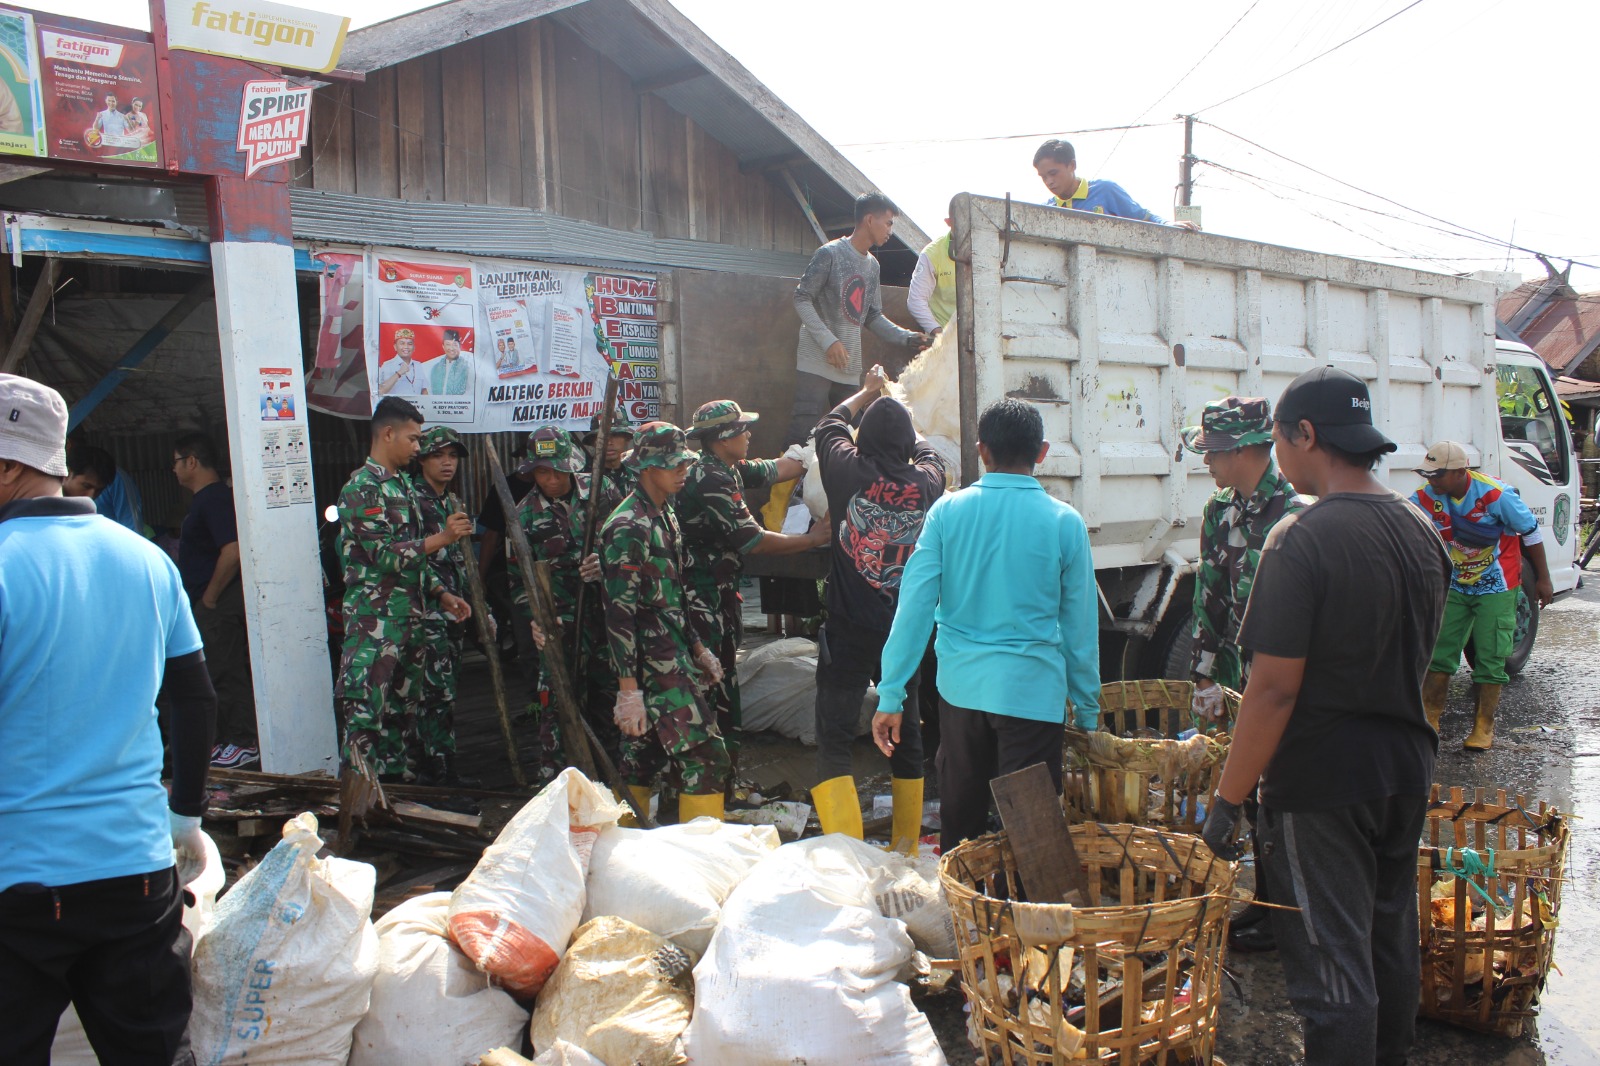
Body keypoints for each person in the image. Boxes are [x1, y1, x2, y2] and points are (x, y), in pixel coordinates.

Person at [1201, 366, 1449, 1066]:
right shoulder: (1420, 528)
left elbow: (1273, 691)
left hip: (1323, 787)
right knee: (1387, 939)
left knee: (1333, 965)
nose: (1279, 455)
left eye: (1280, 440)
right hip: (1404, 769)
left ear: (1305, 435)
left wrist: (1228, 801)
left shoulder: (1300, 537)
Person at [0, 373, 216, 1064]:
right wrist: (184, 812)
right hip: (138, 872)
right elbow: (195, 695)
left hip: (19, 884)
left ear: (8, 467)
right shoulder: (149, 560)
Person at [875, 398, 1099, 854]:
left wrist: (891, 693)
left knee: (962, 830)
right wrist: (1088, 712)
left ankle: (966, 917)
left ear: (981, 451)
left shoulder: (947, 513)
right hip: (1032, 698)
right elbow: (1079, 631)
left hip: (960, 694)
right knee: (1033, 836)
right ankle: (1036, 919)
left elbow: (913, 609)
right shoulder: (1065, 523)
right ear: (1041, 452)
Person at [1182, 396, 1304, 954]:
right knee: (1248, 791)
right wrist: (1204, 674)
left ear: (1244, 449)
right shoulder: (1219, 511)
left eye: (1213, 451)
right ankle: (1268, 903)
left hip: (1283, 684)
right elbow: (1208, 594)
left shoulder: (1297, 513)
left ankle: (1289, 913)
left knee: (1282, 793)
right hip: (1237, 679)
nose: (1206, 460)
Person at [807, 369, 947, 851]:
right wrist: (904, 412)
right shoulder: (929, 483)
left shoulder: (846, 470)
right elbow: (930, 453)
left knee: (835, 738)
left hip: (847, 631)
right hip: (901, 637)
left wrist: (869, 391)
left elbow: (828, 425)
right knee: (905, 736)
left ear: (861, 440)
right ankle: (906, 847)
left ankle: (846, 857)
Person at [678, 399, 826, 791]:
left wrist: (847, 410)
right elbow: (753, 541)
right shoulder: (709, 478)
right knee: (712, 687)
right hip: (700, 598)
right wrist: (811, 539)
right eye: (742, 429)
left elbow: (780, 469)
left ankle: (723, 779)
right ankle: (708, 784)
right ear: (724, 437)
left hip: (719, 594)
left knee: (723, 680)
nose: (749, 434)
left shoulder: (724, 467)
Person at [335, 397, 472, 781]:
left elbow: (413, 560)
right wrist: (443, 537)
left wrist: (441, 593)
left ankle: (397, 801)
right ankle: (356, 809)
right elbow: (384, 556)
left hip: (408, 621)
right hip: (374, 625)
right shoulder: (362, 487)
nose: (417, 448)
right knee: (365, 717)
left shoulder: (402, 488)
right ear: (388, 433)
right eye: (413, 439)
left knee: (401, 717)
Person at [599, 422, 729, 822]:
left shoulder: (664, 514)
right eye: (671, 465)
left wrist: (698, 648)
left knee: (643, 753)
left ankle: (623, 846)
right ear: (645, 467)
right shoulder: (627, 526)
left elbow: (673, 594)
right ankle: (701, 859)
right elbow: (618, 613)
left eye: (683, 464)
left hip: (672, 652)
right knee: (707, 759)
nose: (681, 472)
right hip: (652, 665)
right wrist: (627, 690)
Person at [1412, 440, 1552, 750]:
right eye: (1427, 474)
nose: (1431, 480)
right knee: (1440, 650)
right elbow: (1406, 524)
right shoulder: (1425, 496)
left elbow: (1530, 531)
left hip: (1497, 585)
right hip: (1455, 585)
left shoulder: (1495, 495)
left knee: (1490, 655)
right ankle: (1430, 717)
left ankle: (1484, 727)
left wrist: (1543, 579)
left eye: (1438, 474)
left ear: (1461, 472)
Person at [515, 425, 625, 782]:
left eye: (557, 470)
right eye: (542, 472)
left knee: (609, 700)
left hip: (606, 619)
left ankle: (613, 781)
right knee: (558, 705)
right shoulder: (523, 516)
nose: (550, 479)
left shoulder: (602, 492)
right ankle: (558, 784)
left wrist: (605, 563)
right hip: (558, 625)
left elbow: (627, 544)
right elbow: (518, 581)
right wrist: (535, 618)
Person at [786, 192, 930, 448]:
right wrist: (828, 341)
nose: (890, 230)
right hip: (816, 358)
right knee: (802, 429)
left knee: (855, 431)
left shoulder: (872, 266)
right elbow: (802, 298)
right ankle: (786, 489)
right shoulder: (829, 253)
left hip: (848, 364)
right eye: (888, 223)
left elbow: (872, 315)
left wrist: (907, 338)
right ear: (869, 219)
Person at [174, 432, 259, 769]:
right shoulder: (205, 500)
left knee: (226, 670)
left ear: (191, 461)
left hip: (219, 604)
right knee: (214, 670)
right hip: (208, 602)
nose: (174, 470)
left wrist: (209, 597)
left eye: (176, 462)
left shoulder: (213, 499)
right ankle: (227, 740)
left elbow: (232, 550)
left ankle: (243, 741)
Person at [410, 426, 475, 785]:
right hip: (427, 611)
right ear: (422, 460)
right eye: (438, 455)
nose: (447, 462)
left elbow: (460, 560)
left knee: (447, 695)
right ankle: (435, 778)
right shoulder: (412, 500)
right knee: (433, 697)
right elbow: (410, 557)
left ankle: (447, 772)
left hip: (454, 611)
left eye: (452, 456)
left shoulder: (451, 502)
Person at [1033, 139, 1198, 228]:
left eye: (1053, 173)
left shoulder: (1105, 191)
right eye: (1043, 177)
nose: (1049, 182)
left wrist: (1168, 224)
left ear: (1072, 165)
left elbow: (1144, 216)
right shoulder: (1048, 209)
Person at [907, 219, 956, 335]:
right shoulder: (932, 253)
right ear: (949, 222)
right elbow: (916, 300)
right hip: (945, 333)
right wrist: (939, 334)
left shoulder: (990, 249)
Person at [584, 408, 639, 500]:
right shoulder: (580, 480)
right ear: (593, 441)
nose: (609, 442)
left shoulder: (639, 480)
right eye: (602, 436)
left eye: (615, 435)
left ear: (627, 438)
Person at [428, 329, 472, 396]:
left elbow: (471, 392)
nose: (451, 348)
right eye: (448, 344)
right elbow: (430, 391)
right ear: (443, 346)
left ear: (459, 346)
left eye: (454, 345)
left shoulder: (467, 367)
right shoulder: (435, 368)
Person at [379, 328, 420, 395]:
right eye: (402, 343)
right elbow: (381, 391)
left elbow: (424, 390)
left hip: (416, 405)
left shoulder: (418, 365)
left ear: (414, 347)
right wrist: (399, 373)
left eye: (409, 344)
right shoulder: (387, 366)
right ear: (395, 347)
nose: (406, 347)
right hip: (395, 405)